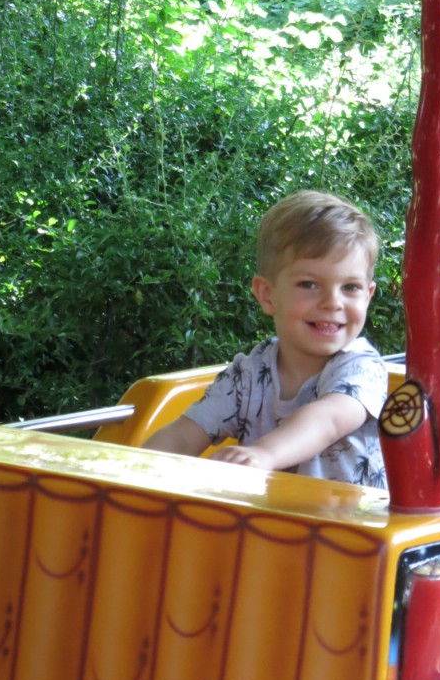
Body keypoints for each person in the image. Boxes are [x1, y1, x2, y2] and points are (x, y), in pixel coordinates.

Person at [142, 190, 387, 486]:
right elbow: (184, 434)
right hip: (269, 515)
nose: (332, 302)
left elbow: (328, 420)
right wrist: (136, 469)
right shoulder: (248, 374)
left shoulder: (361, 368)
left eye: (350, 287)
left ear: (368, 296)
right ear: (268, 295)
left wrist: (263, 454)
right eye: (309, 284)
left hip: (353, 515)